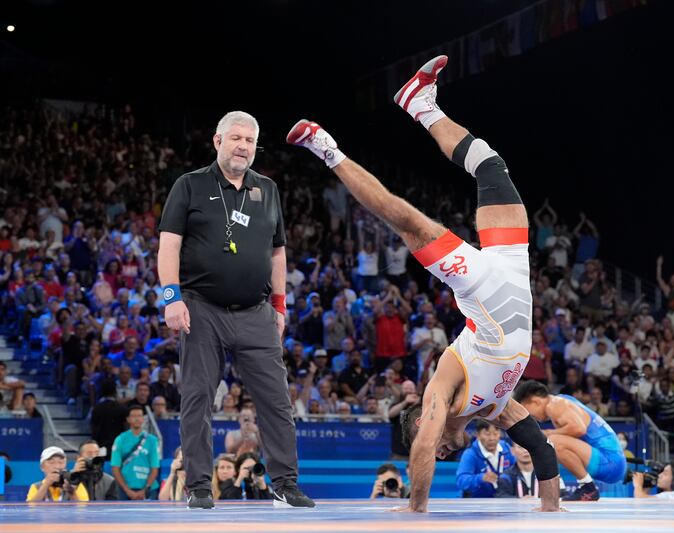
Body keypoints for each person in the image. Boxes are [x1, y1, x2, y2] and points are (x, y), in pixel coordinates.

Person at [287, 55, 560, 513]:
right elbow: (541, 448)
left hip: (480, 287)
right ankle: (419, 106)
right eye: (444, 452)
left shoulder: (441, 391)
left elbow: (425, 444)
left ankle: (329, 145)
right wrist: (552, 509)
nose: (444, 451)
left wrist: (416, 508)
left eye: (437, 450)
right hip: (512, 267)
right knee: (491, 167)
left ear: (423, 430)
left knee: (403, 217)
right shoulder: (496, 410)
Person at [158, 110, 313, 509]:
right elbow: (169, 245)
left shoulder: (268, 189)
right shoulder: (189, 185)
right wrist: (171, 298)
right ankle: (198, 486)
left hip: (256, 311)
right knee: (197, 398)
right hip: (200, 308)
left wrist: (280, 305)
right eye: (236, 138)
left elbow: (278, 253)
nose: (243, 146)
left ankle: (284, 483)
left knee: (277, 400)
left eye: (250, 141)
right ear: (218, 141)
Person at [514, 380, 625, 501]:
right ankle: (564, 486)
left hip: (610, 462)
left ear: (535, 401)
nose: (530, 417)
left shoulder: (555, 405)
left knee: (552, 440)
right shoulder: (562, 400)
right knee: (552, 443)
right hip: (611, 463)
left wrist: (548, 433)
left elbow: (579, 429)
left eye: (527, 410)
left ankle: (588, 488)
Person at [110, 405, 160, 500]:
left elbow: (155, 468)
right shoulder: (120, 439)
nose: (137, 419)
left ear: (143, 419)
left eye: (140, 416)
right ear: (128, 419)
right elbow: (115, 467)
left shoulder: (152, 440)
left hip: (149, 489)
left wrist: (145, 490)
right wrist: (127, 490)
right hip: (125, 489)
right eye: (134, 416)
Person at [456, 420, 515, 498]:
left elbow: (517, 471)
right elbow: (461, 481)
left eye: (495, 433)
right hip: (477, 502)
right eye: (487, 434)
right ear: (478, 435)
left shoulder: (506, 449)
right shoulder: (470, 454)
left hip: (504, 498)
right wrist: (481, 478)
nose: (492, 438)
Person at [90, 379, 129, 452]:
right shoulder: (122, 408)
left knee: (102, 463)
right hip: (118, 446)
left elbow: (93, 428)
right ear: (115, 391)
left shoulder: (97, 408)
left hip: (101, 446)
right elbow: (126, 428)